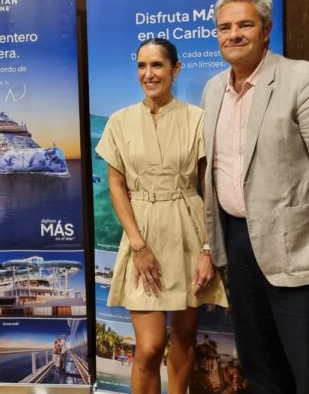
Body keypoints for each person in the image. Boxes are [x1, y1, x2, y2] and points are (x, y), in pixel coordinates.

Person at [202, 0, 309, 393]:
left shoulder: (306, 80)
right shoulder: (213, 89)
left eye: (244, 25)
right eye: (224, 27)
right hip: (238, 245)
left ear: (266, 30)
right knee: (260, 367)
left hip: (301, 250)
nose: (233, 34)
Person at [96, 38, 227, 394]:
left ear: (175, 69)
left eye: (157, 65)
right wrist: (138, 246)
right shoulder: (119, 121)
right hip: (142, 235)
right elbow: (116, 188)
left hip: (188, 231)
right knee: (150, 346)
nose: (148, 73)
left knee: (184, 335)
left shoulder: (197, 118)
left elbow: (209, 188)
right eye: (142, 65)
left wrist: (208, 248)